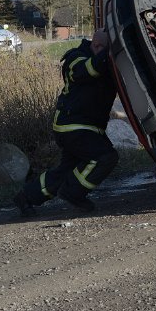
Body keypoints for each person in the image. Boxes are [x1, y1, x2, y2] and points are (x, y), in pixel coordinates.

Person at [14, 30, 118, 216]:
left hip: (85, 127)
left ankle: (26, 197)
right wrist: (110, 53)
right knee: (105, 157)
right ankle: (73, 193)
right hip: (73, 126)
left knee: (66, 170)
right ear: (97, 46)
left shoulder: (102, 60)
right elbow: (87, 70)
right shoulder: (75, 58)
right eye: (104, 49)